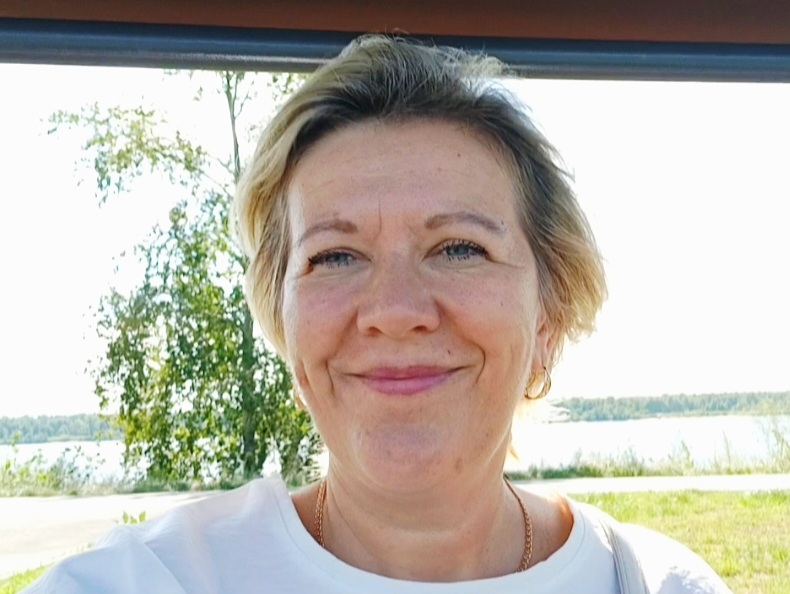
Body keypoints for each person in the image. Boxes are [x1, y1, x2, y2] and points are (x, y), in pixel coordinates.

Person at [26, 36, 732, 594]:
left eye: (459, 248)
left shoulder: (652, 584)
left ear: (548, 318)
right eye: (335, 256)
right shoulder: (149, 580)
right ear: (284, 323)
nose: (395, 311)